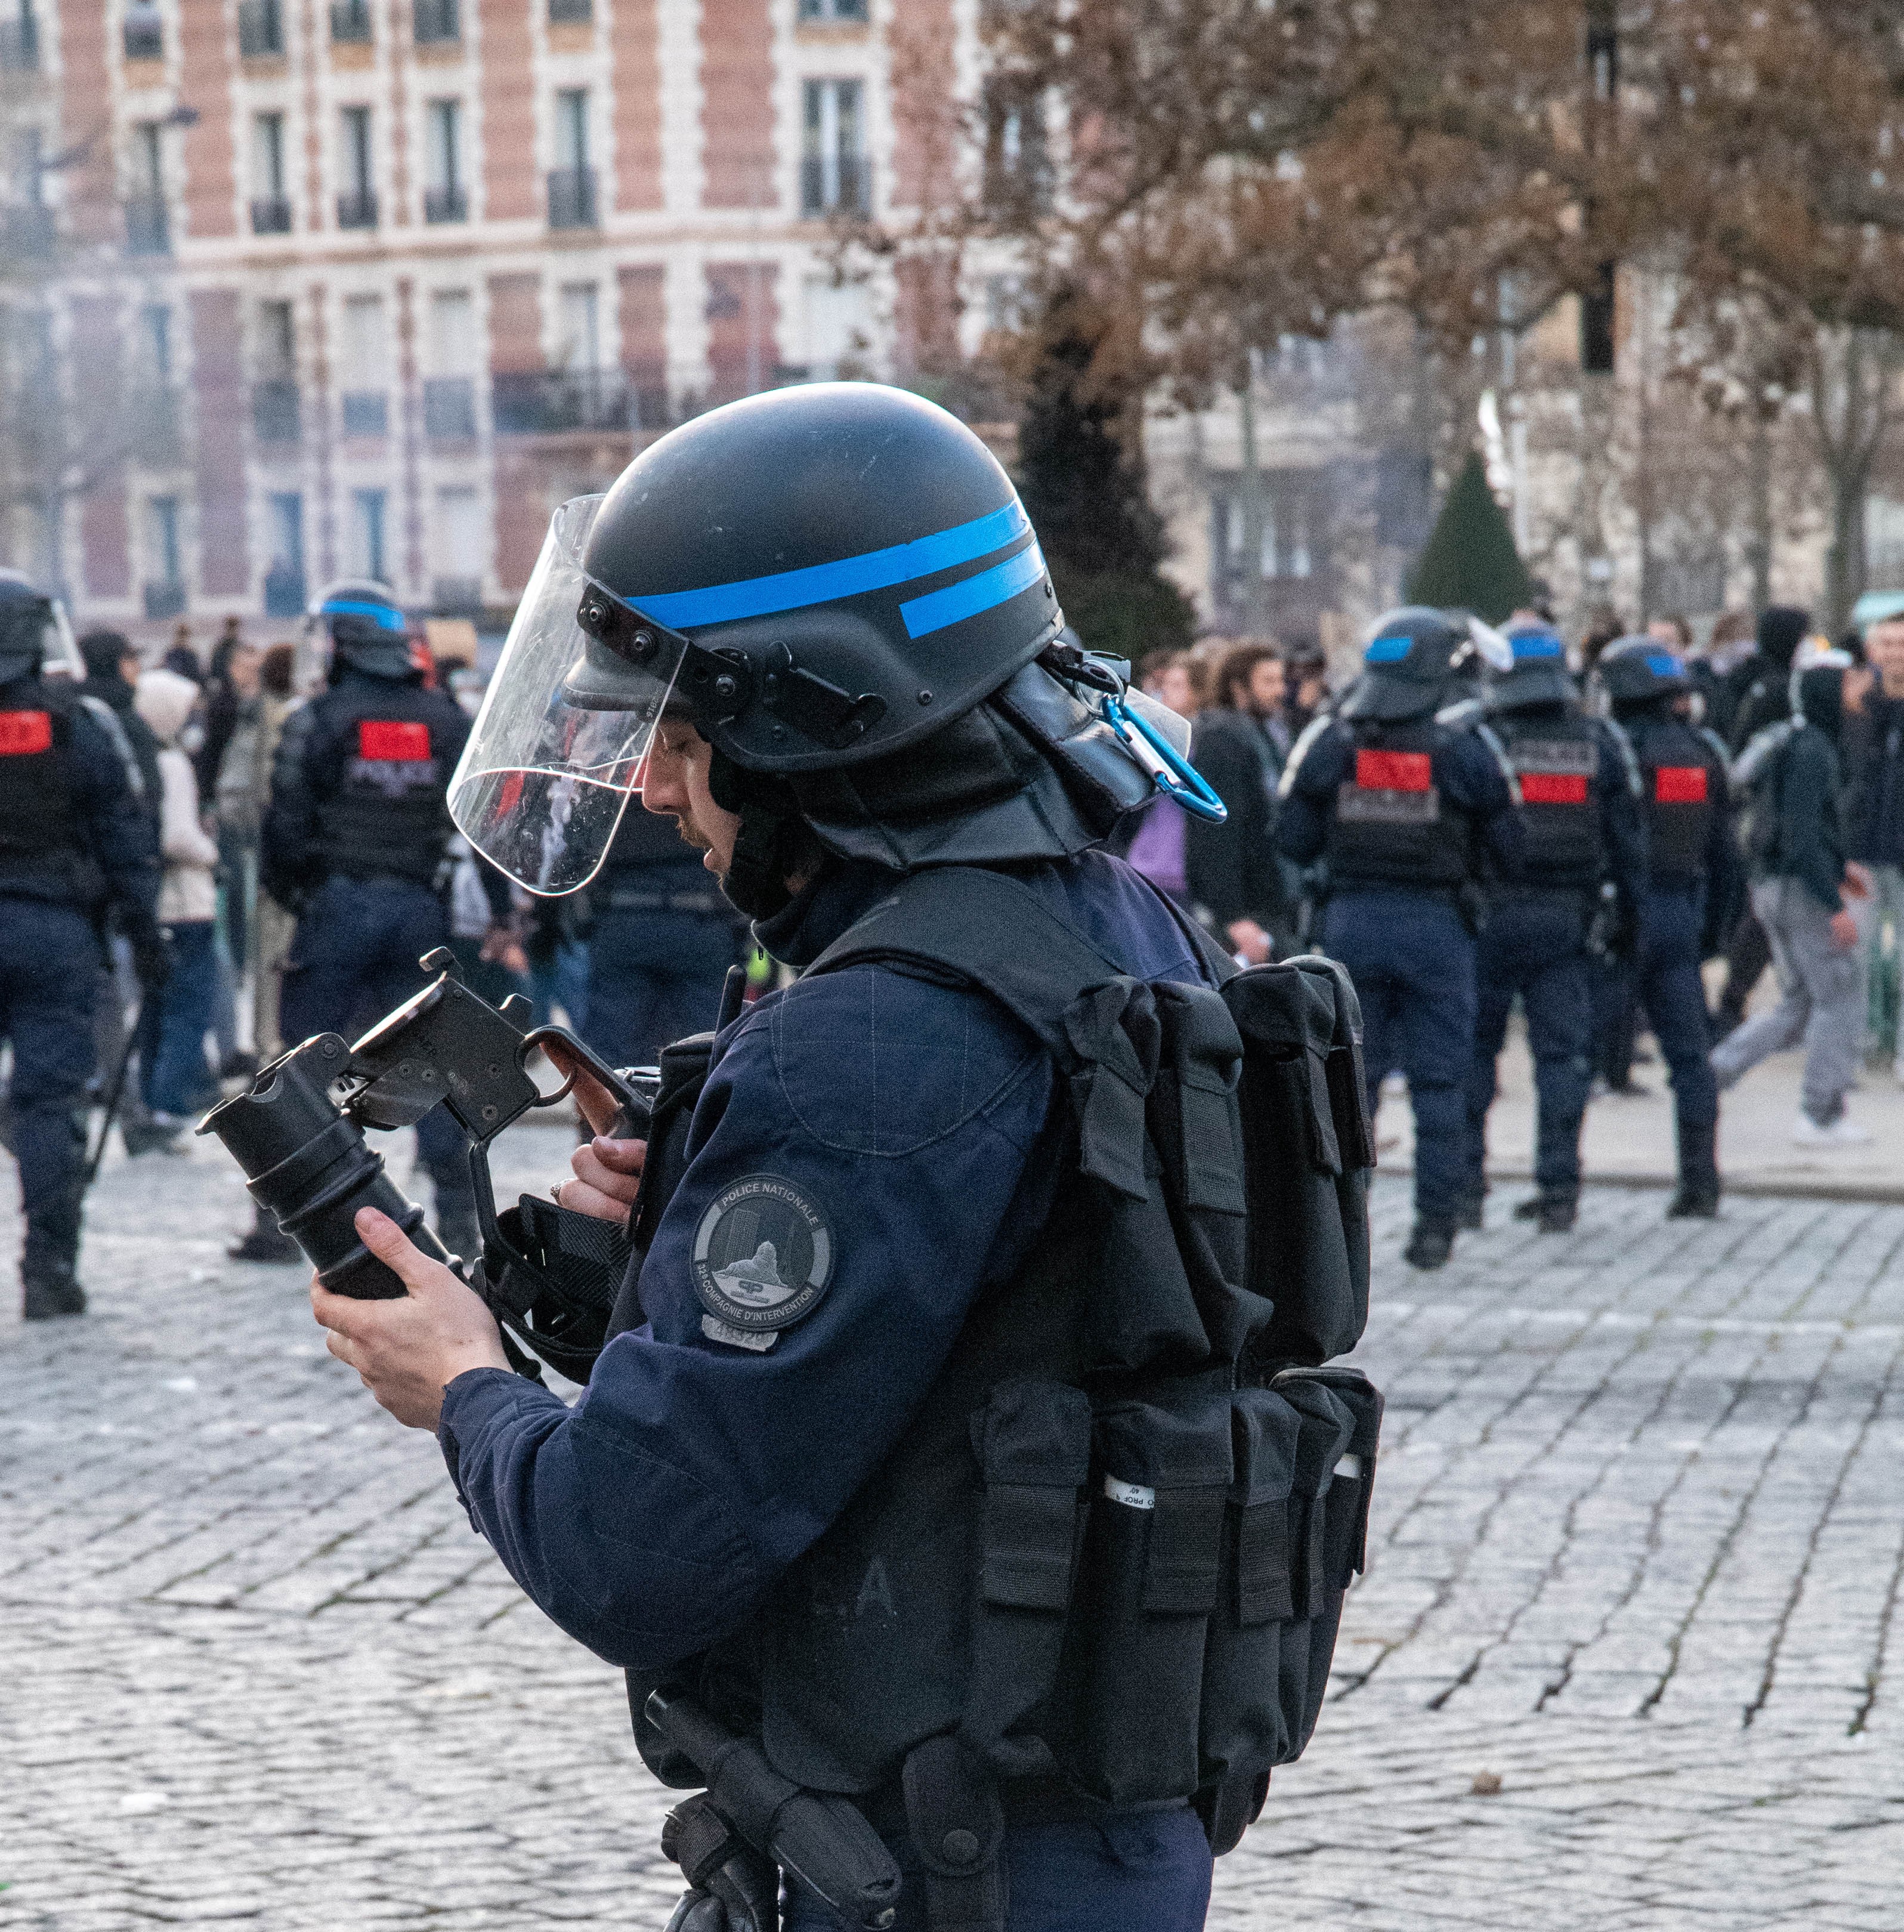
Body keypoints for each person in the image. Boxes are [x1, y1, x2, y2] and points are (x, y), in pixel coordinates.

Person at [302, 384, 1287, 1929]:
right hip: (1071, 1816)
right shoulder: (1112, 919)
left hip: (934, 1856)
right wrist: (699, 1204)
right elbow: (1022, 1310)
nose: (651, 786)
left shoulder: (876, 1038)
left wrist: (466, 1378)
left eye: (682, 738)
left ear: (824, 721)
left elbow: (628, 1543)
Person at [245, 582, 511, 1264]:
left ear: (337, 644)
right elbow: (481, 825)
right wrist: (500, 915)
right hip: (421, 910)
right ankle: (456, 1214)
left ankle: (290, 1218)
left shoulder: (319, 716)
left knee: (302, 1067)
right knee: (431, 1060)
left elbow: (282, 827)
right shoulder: (446, 717)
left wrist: (302, 897)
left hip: (337, 908)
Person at [1278, 606, 1525, 1269]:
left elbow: (1293, 838)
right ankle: (1434, 1227)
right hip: (1438, 930)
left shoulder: (1332, 741)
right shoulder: (1465, 749)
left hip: (1352, 925)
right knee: (1439, 1083)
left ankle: (1338, 1234)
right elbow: (1511, 844)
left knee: (1350, 1086)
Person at [0, 575, 161, 1316]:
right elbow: (124, 835)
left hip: (48, 921)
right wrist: (145, 931)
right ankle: (49, 1267)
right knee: (48, 1103)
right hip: (53, 930)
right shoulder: (74, 720)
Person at [1459, 622, 1646, 1232]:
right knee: (1561, 1058)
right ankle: (1559, 1190)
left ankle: (1464, 1188)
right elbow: (1628, 844)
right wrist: (1628, 922)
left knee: (1474, 1053)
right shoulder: (1599, 740)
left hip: (1488, 918)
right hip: (1568, 920)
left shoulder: (1478, 736)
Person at [1596, 638, 1741, 1216]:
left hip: (1621, 915)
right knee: (1690, 1056)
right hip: (1683, 911)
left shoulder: (1615, 748)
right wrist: (1713, 932)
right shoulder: (1703, 753)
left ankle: (1559, 1187)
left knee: (1578, 1051)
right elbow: (1728, 856)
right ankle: (1701, 1181)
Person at [1711, 648, 1871, 1143]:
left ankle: (1713, 1072)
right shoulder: (1816, 750)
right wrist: (1834, 903)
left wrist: (1837, 864)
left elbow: (1798, 827)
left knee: (1799, 1000)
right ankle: (1820, 1111)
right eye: (1848, 685)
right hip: (1800, 891)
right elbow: (1803, 834)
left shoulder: (1796, 742)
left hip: (1771, 886)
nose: (1858, 692)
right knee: (1838, 995)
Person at [581, 799, 744, 1072]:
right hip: (702, 923)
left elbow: (582, 854)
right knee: (711, 1048)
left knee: (611, 1056)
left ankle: (613, 1111)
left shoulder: (621, 782)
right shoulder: (700, 774)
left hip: (626, 922)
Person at [1711, 607, 1812, 1038]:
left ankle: (1737, 999)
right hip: (1767, 813)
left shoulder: (1759, 683)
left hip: (1756, 813)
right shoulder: (1778, 690)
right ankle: (1734, 1001)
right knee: (1765, 913)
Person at [132, 667, 223, 1147]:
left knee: (154, 1010)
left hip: (152, 905)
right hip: (186, 903)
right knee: (188, 1009)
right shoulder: (171, 763)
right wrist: (213, 854)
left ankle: (150, 1102)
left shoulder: (136, 758)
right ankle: (167, 1105)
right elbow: (178, 836)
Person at [1186, 641, 1295, 962]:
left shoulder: (1262, 733)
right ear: (1239, 687)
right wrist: (1233, 915)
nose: (1280, 690)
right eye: (1269, 681)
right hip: (1247, 911)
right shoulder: (1223, 737)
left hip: (1269, 900)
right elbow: (1217, 830)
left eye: (1281, 680)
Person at [1844, 611, 1904, 1076]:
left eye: (1900, 644)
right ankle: (1860, 1044)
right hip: (1861, 851)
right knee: (1857, 953)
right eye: (1885, 644)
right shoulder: (1855, 711)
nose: (1892, 653)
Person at [249, 642, 302, 1064]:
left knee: (274, 963)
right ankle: (278, 1048)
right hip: (293, 864)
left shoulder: (265, 716)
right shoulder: (295, 717)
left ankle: (273, 1048)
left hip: (276, 863)